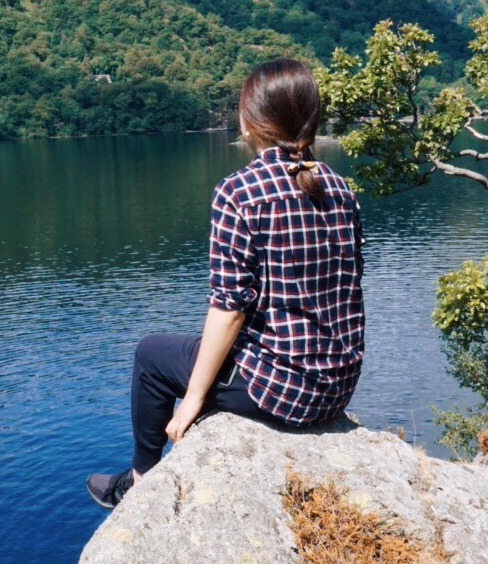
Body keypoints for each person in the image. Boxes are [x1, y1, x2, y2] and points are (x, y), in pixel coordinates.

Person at [87, 57, 365, 509]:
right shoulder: (341, 188)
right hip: (337, 387)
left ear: (249, 121)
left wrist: (193, 398)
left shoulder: (241, 191)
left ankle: (140, 482)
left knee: (151, 355)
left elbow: (230, 308)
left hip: (283, 395)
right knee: (207, 351)